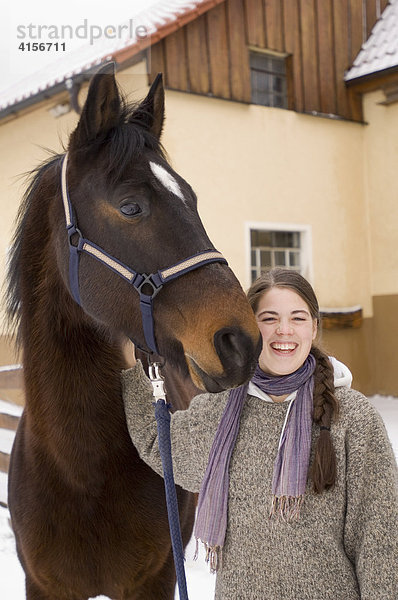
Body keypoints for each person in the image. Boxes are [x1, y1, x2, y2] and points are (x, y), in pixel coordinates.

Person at [122, 268, 398, 600]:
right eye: (269, 319)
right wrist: (130, 364)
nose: (284, 331)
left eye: (297, 318)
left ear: (314, 327)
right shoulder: (220, 412)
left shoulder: (353, 417)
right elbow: (158, 444)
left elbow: (380, 538)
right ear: (251, 329)